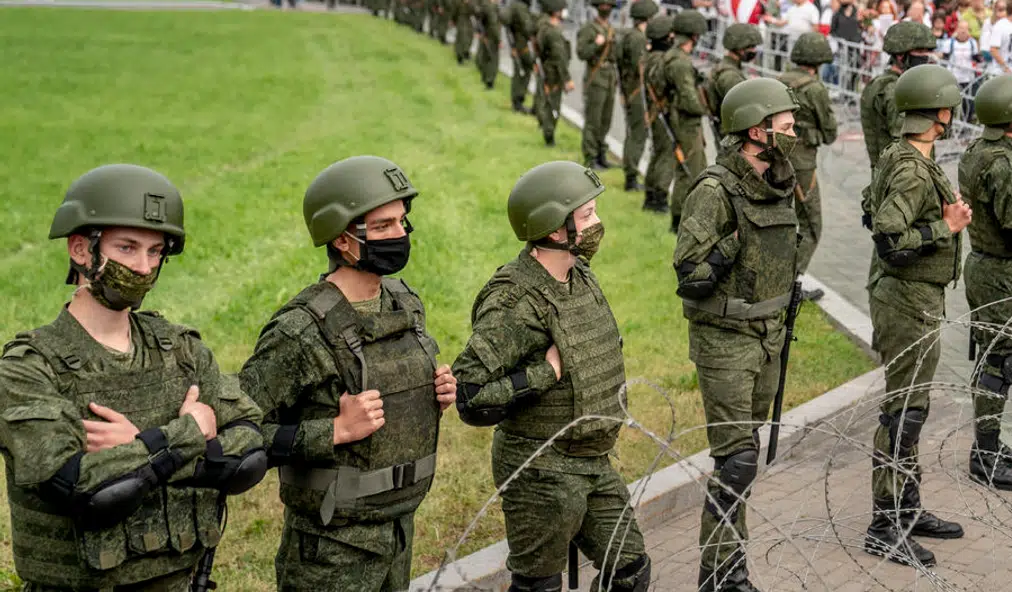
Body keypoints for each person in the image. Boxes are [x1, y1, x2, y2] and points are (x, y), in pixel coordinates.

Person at [0, 165, 265, 592]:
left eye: (155, 251)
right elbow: (81, 488)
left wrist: (139, 447)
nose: (143, 267)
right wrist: (184, 435)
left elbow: (250, 449)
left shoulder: (181, 350)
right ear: (80, 249)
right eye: (127, 248)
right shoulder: (29, 367)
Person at [240, 157, 454, 592]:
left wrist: (434, 393)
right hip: (331, 550)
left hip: (398, 530)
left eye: (402, 221)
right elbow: (237, 432)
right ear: (342, 238)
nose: (400, 235)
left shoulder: (403, 303)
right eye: (383, 226)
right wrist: (334, 431)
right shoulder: (299, 331)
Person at [454, 163, 651, 592]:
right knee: (539, 586)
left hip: (592, 459)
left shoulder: (579, 274)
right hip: (540, 469)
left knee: (631, 572)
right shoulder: (515, 301)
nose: (598, 223)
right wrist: (546, 372)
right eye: (588, 215)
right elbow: (470, 394)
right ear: (555, 228)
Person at [673, 78, 801, 592]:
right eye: (786, 126)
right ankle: (720, 575)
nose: (794, 133)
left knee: (744, 456)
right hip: (726, 339)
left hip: (769, 335)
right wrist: (731, 246)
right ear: (756, 130)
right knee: (736, 461)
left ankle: (731, 566)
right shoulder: (714, 190)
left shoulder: (778, 179)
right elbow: (689, 273)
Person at [863, 65, 971, 567]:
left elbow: (870, 206)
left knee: (912, 409)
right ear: (938, 112)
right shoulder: (909, 167)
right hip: (907, 300)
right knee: (903, 412)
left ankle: (906, 507)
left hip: (913, 297)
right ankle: (885, 524)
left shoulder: (901, 154)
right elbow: (888, 236)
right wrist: (945, 228)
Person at [957, 75, 1012, 493]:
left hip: (984, 265)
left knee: (991, 357)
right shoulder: (1007, 166)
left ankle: (989, 442)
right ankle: (985, 455)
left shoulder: (977, 151)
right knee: (1001, 362)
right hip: (1002, 273)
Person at [778, 32, 838, 287]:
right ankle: (787, 282)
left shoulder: (779, 81)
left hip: (775, 158)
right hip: (802, 164)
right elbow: (830, 132)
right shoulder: (815, 89)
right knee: (812, 224)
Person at [860, 21, 937, 170]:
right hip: (904, 173)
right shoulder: (896, 90)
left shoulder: (880, 84)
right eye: (920, 51)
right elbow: (909, 142)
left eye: (927, 51)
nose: (926, 57)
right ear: (901, 55)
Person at [661, 10, 711, 233]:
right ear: (694, 35)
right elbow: (689, 99)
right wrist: (706, 109)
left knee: (687, 170)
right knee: (693, 172)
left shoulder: (673, 57)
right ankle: (682, 221)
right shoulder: (680, 62)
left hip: (680, 119)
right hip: (686, 122)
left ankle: (680, 219)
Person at [619, 0, 660, 192]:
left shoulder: (631, 35)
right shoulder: (637, 39)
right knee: (638, 134)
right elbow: (640, 67)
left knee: (635, 132)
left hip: (632, 89)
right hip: (638, 91)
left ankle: (631, 173)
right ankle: (631, 176)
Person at [576, 0, 620, 171]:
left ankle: (601, 153)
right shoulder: (589, 28)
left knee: (605, 119)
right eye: (603, 5)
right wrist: (597, 44)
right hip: (596, 76)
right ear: (597, 7)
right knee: (593, 119)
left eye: (609, 6)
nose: (606, 8)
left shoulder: (611, 28)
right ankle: (590, 156)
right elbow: (581, 53)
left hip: (610, 76)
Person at [642, 14, 677, 215]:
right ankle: (659, 196)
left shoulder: (650, 56)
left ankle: (651, 193)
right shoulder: (659, 59)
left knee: (658, 152)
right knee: (666, 154)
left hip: (655, 111)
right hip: (662, 111)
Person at [704, 24, 761, 138]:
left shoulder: (726, 67)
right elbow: (744, 109)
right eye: (751, 47)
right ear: (740, 48)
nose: (754, 51)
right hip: (734, 134)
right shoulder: (730, 76)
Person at [536, 0, 574, 148]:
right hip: (553, 72)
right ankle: (549, 136)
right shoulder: (553, 32)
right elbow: (559, 57)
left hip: (547, 68)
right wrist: (567, 79)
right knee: (553, 104)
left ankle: (547, 129)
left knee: (547, 101)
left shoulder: (544, 26)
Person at [505, 0, 539, 114]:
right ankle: (518, 100)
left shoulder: (514, 6)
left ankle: (517, 100)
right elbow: (527, 27)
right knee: (524, 71)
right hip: (523, 44)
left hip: (518, 43)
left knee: (521, 72)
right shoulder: (521, 8)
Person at [476, 0, 503, 90]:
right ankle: (489, 81)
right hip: (492, 35)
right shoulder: (492, 6)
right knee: (493, 59)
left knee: (486, 56)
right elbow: (494, 24)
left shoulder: (486, 4)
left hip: (486, 33)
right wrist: (499, 39)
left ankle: (485, 77)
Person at [453, 0, 477, 66]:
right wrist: (454, 18)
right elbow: (456, 7)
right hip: (462, 16)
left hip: (468, 17)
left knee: (469, 35)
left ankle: (466, 51)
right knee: (462, 36)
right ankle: (460, 55)